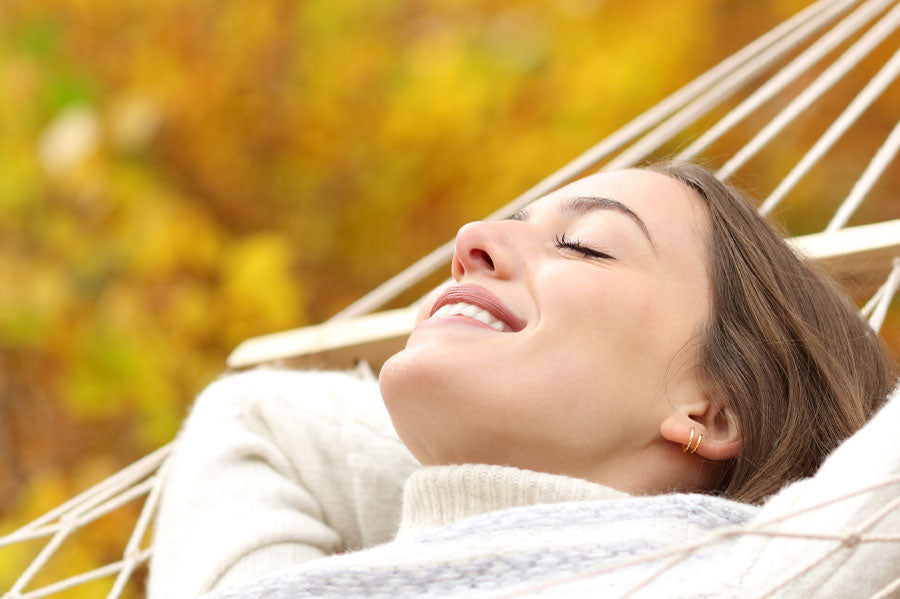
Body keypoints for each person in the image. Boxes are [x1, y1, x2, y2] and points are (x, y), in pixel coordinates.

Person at [147, 162, 899, 599]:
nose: (471, 238)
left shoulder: (757, 576)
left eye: (584, 244)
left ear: (713, 406)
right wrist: (476, 480)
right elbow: (255, 416)